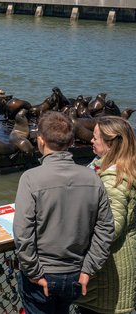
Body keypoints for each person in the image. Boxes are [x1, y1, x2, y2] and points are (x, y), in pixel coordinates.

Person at [13, 110, 114, 314]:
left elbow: (23, 234)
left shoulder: (30, 179)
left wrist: (34, 273)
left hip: (41, 276)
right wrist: (88, 270)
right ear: (71, 143)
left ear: (40, 141)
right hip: (77, 274)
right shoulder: (93, 178)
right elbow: (105, 230)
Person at [76, 116, 136, 313]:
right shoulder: (128, 168)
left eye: (95, 137)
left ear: (110, 142)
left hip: (108, 274)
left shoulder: (113, 179)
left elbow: (111, 227)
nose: (91, 141)